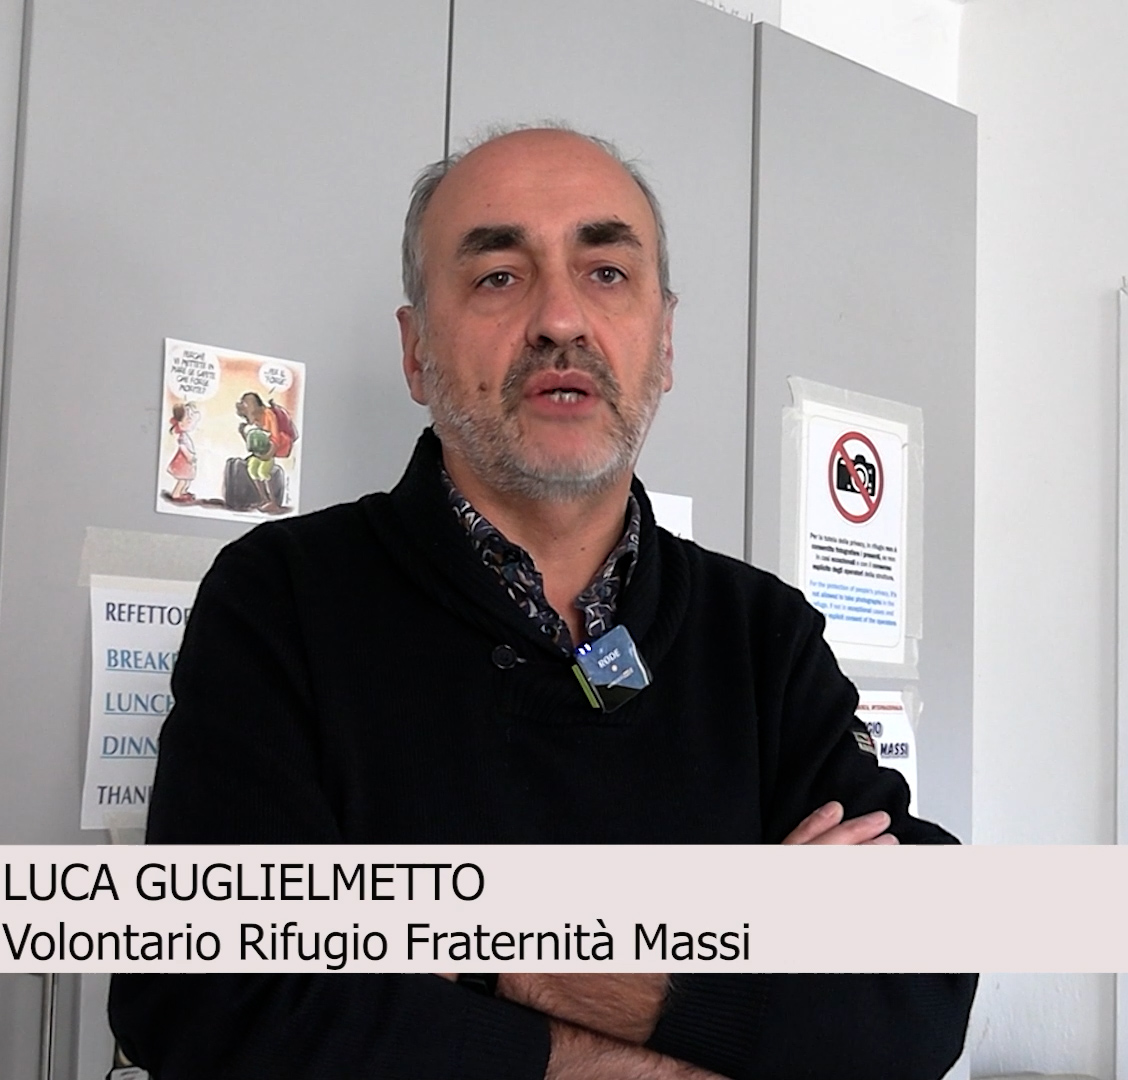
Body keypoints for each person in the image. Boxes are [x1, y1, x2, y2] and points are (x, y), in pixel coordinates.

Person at [109, 126, 976, 1080]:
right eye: (498, 276)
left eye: (606, 273)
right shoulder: (280, 601)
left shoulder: (763, 636)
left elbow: (916, 996)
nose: (561, 319)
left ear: (665, 341)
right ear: (415, 350)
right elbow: (209, 1001)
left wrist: (478, 950)